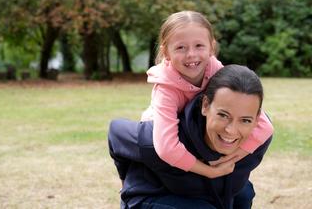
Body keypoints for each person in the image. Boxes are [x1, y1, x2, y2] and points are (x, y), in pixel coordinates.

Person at [108, 65, 273, 209]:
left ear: (257, 119)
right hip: (152, 197)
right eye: (223, 115)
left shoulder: (257, 142)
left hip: (205, 194)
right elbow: (116, 132)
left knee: (244, 194)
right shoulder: (165, 140)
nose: (231, 130)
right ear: (205, 106)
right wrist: (124, 183)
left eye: (245, 120)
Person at [141, 10, 273, 178]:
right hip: (163, 131)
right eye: (180, 47)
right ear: (166, 52)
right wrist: (210, 171)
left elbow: (265, 127)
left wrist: (231, 158)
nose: (191, 54)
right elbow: (167, 148)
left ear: (211, 47)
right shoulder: (165, 89)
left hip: (197, 130)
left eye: (199, 46)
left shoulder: (216, 71)